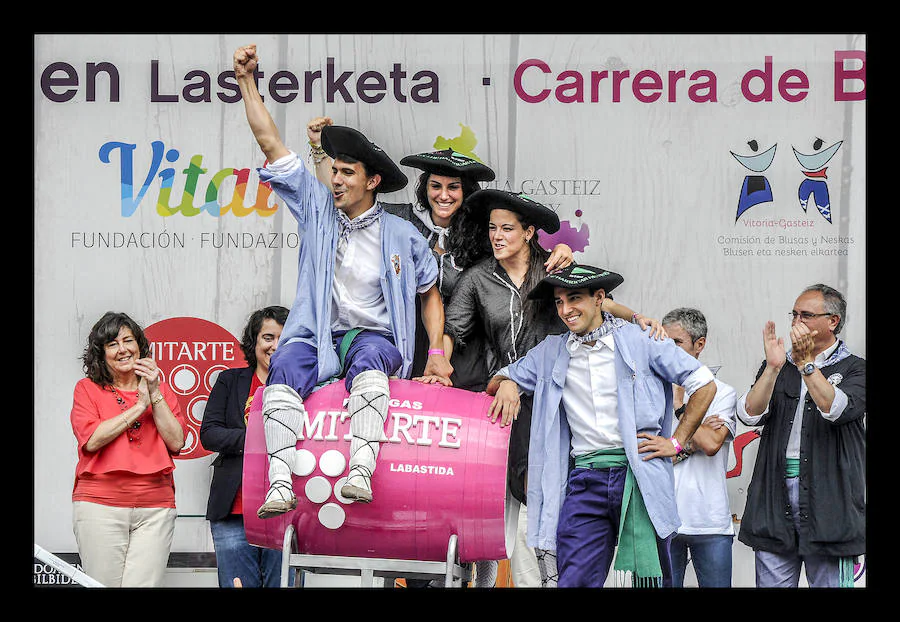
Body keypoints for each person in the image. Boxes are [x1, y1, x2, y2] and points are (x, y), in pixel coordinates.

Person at [232, 44, 452, 517]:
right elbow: (271, 143)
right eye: (333, 170)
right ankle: (278, 484)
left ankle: (360, 471)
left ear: (372, 182)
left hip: (372, 338)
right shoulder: (318, 213)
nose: (336, 180)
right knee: (283, 372)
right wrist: (248, 83)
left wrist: (435, 352)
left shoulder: (402, 234)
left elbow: (429, 293)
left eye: (347, 173)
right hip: (317, 337)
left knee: (373, 362)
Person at [442, 197, 666, 587]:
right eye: (492, 228)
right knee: (516, 496)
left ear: (529, 233)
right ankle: (532, 578)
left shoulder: (554, 267)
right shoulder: (477, 278)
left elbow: (598, 300)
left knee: (555, 489)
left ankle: (557, 575)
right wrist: (438, 364)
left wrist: (637, 317)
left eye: (507, 228)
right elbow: (452, 330)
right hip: (509, 398)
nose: (497, 236)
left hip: (561, 395)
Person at [485, 264, 717, 588]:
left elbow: (704, 384)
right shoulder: (550, 352)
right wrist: (509, 383)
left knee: (649, 582)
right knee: (574, 580)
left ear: (599, 298)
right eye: (558, 301)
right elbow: (499, 378)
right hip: (585, 480)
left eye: (574, 298)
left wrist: (676, 443)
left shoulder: (641, 340)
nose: (565, 310)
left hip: (638, 476)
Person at [736, 284, 865, 588]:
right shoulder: (781, 365)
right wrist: (771, 368)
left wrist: (807, 364)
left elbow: (837, 409)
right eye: (793, 314)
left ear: (832, 321)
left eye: (806, 315)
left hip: (830, 501)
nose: (796, 322)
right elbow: (748, 414)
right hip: (775, 496)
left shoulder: (856, 369)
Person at [70, 311, 188, 587]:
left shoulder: (159, 389)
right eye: (112, 344)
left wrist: (155, 394)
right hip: (100, 505)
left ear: (140, 346)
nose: (123, 349)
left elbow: (177, 442)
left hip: (155, 507)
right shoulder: (87, 389)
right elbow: (92, 440)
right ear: (101, 353)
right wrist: (139, 407)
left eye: (128, 340)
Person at [200, 305, 291, 588]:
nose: (275, 346)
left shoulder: (307, 386)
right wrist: (260, 438)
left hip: (285, 512)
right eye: (268, 337)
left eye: (284, 338)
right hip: (234, 511)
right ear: (254, 343)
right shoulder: (231, 380)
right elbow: (210, 434)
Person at [661, 307, 737, 588]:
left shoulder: (721, 391)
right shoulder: (649, 389)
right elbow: (648, 454)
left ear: (699, 344)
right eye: (663, 342)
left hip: (709, 520)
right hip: (663, 519)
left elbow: (711, 443)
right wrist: (688, 442)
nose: (667, 350)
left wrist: (681, 407)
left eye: (676, 343)